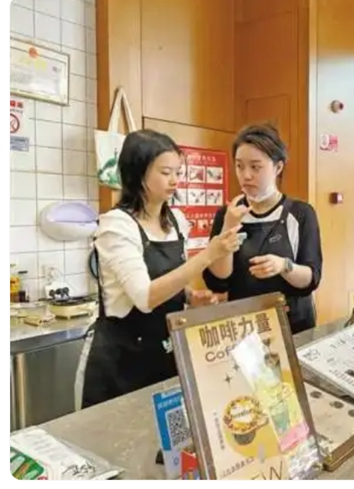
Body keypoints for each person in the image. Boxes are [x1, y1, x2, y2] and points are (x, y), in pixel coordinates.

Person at [76, 129, 241, 409]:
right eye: (166, 172)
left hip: (165, 351)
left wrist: (188, 296)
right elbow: (144, 297)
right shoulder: (117, 225)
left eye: (178, 171)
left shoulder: (176, 220)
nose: (175, 180)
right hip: (120, 362)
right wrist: (208, 255)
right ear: (138, 173)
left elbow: (168, 277)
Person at [203, 124, 323, 335]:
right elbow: (218, 282)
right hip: (243, 327)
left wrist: (284, 266)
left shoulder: (301, 213)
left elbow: (311, 278)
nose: (246, 175)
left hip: (293, 325)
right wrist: (229, 227)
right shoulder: (227, 214)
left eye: (256, 167)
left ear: (278, 167)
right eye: (239, 166)